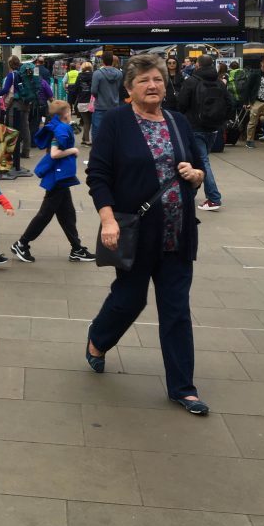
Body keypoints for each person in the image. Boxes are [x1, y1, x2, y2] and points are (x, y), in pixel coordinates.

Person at [85, 52, 208, 415]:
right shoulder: (116, 123)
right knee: (129, 300)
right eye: (144, 81)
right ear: (129, 88)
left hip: (178, 233)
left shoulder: (178, 121)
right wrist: (107, 220)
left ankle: (183, 388)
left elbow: (198, 168)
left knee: (176, 310)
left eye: (157, 79)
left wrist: (196, 175)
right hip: (136, 234)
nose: (153, 85)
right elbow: (99, 175)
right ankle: (98, 338)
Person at [11, 100, 95, 264]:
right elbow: (55, 153)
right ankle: (22, 243)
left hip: (60, 178)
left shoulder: (59, 126)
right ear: (65, 113)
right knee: (45, 215)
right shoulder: (61, 129)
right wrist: (73, 150)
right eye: (69, 111)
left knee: (67, 214)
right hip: (58, 178)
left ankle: (76, 248)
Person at [178, 54, 234, 212]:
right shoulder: (219, 82)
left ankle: (214, 197)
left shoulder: (191, 81)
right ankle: (192, 191)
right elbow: (230, 103)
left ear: (197, 65)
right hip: (214, 128)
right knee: (200, 160)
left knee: (202, 162)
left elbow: (181, 103)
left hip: (195, 127)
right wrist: (222, 120)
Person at [0, 55, 33, 176]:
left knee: (12, 131)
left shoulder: (12, 75)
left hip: (14, 105)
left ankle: (13, 159)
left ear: (10, 64)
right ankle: (22, 156)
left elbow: (5, 90)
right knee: (23, 128)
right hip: (25, 104)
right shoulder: (23, 74)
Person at [244, 54, 264, 149]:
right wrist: (246, 102)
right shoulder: (254, 74)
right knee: (253, 122)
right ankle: (249, 140)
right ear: (262, 63)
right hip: (256, 102)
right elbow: (247, 88)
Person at [90, 52, 122, 142]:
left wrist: (98, 97)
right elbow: (118, 88)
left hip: (100, 106)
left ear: (102, 61)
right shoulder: (119, 74)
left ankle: (97, 148)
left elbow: (93, 91)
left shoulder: (97, 74)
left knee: (97, 129)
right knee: (113, 129)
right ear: (112, 61)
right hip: (114, 106)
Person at [69, 61, 93, 145]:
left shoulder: (79, 76)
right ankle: (86, 140)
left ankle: (84, 138)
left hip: (81, 102)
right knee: (88, 122)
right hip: (91, 102)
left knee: (86, 121)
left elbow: (75, 89)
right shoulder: (94, 75)